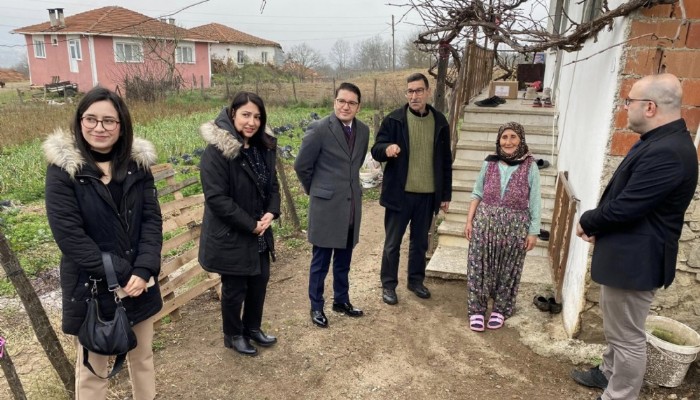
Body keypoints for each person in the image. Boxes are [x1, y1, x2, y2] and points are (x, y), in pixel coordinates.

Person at [571, 73, 698, 400]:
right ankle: (608, 374)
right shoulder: (659, 141)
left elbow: (628, 207)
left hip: (636, 263)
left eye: (630, 101)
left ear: (651, 107)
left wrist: (589, 221)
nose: (625, 107)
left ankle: (619, 394)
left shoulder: (668, 151)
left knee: (627, 336)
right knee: (618, 328)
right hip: (626, 254)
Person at [44, 87, 163, 400]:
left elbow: (151, 221)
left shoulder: (138, 166)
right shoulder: (64, 172)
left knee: (143, 359)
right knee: (93, 370)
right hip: (91, 289)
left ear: (121, 125)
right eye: (91, 119)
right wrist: (123, 273)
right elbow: (70, 236)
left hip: (139, 283)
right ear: (80, 122)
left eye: (109, 121)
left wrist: (145, 268)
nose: (99, 128)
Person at [198, 92, 281, 356]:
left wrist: (271, 212)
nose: (252, 122)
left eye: (257, 116)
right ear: (232, 114)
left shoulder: (262, 148)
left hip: (259, 229)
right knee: (235, 289)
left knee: (260, 281)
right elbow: (216, 198)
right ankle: (233, 334)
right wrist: (250, 224)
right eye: (246, 115)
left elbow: (273, 186)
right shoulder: (217, 152)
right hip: (232, 233)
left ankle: (252, 328)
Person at [371, 72, 452, 305]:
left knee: (420, 243)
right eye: (410, 91)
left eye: (418, 90)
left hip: (427, 195)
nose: (414, 95)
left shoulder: (439, 122)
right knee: (392, 243)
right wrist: (387, 149)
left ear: (427, 91)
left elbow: (446, 161)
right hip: (400, 194)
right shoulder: (394, 120)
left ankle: (415, 281)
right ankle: (389, 285)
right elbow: (376, 148)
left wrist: (445, 194)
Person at [294, 82, 370, 328]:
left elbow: (354, 165)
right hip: (326, 207)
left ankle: (341, 300)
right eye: (341, 101)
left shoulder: (364, 131)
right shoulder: (319, 129)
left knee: (344, 259)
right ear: (334, 102)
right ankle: (316, 306)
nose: (345, 106)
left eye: (351, 102)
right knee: (321, 261)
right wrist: (315, 191)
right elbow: (301, 166)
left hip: (350, 207)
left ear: (358, 106)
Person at [463, 122, 541, 332]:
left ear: (521, 140)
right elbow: (477, 192)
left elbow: (535, 201)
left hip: (515, 227)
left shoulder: (530, 165)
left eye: (513, 137)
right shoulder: (489, 163)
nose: (508, 142)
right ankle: (477, 310)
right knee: (479, 266)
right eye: (504, 137)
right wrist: (469, 221)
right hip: (485, 223)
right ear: (499, 140)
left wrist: (533, 231)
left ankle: (501, 308)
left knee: (508, 268)